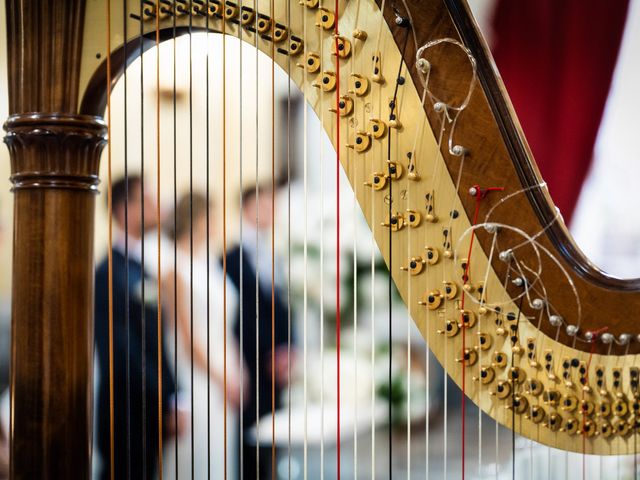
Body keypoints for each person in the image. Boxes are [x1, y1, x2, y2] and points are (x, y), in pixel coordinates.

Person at [94, 175, 180, 479]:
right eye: (147, 199)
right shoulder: (108, 272)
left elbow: (160, 338)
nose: (157, 206)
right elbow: (121, 349)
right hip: (126, 411)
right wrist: (161, 395)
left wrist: (173, 396)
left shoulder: (142, 266)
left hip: (151, 406)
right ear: (123, 209)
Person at [162, 192, 245, 479]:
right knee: (201, 454)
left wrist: (238, 369)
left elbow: (225, 326)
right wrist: (223, 378)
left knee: (223, 456)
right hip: (196, 375)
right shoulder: (174, 268)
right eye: (211, 216)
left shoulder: (209, 263)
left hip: (225, 372)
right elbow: (186, 337)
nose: (216, 223)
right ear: (196, 219)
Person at [226, 184, 292, 479]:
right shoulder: (230, 257)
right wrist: (268, 353)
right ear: (247, 209)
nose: (271, 212)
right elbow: (241, 317)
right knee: (251, 443)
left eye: (273, 206)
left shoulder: (273, 252)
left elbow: (284, 307)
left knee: (274, 440)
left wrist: (289, 348)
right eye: (264, 206)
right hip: (251, 362)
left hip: (277, 364)